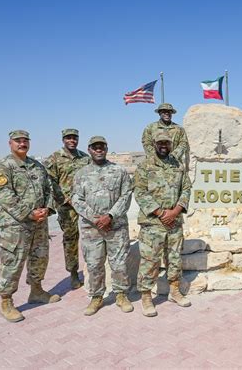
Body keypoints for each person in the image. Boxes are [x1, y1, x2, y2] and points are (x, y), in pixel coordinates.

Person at [0, 130, 60, 323]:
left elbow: (48, 190)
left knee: (39, 258)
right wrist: (28, 214)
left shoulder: (36, 166)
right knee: (13, 262)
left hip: (39, 223)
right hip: (16, 226)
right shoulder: (3, 167)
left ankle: (36, 291)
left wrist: (47, 209)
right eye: (18, 141)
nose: (22, 143)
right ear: (10, 143)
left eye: (25, 141)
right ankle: (7, 301)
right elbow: (5, 197)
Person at [72, 136, 133, 316]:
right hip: (92, 229)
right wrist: (96, 219)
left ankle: (121, 294)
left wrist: (110, 216)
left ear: (106, 149)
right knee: (94, 264)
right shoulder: (81, 174)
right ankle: (96, 297)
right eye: (94, 147)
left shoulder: (119, 171)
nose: (98, 150)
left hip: (116, 227)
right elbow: (76, 199)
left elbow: (126, 195)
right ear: (89, 150)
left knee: (119, 263)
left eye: (101, 147)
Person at [134, 132, 192, 317]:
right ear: (154, 144)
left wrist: (175, 211)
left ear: (171, 144)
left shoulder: (178, 165)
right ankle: (146, 297)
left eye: (167, 142)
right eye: (160, 143)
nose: (164, 145)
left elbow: (187, 188)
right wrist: (160, 212)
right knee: (150, 261)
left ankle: (175, 291)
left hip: (174, 221)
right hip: (153, 223)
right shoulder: (145, 166)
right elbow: (140, 192)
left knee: (174, 259)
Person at [45, 129, 90, 289]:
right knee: (71, 239)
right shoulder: (55, 158)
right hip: (66, 206)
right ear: (63, 139)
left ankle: (91, 269)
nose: (72, 140)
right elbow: (50, 182)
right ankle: (73, 273)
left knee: (90, 235)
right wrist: (65, 199)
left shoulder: (85, 157)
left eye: (75, 138)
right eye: (69, 138)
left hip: (85, 204)